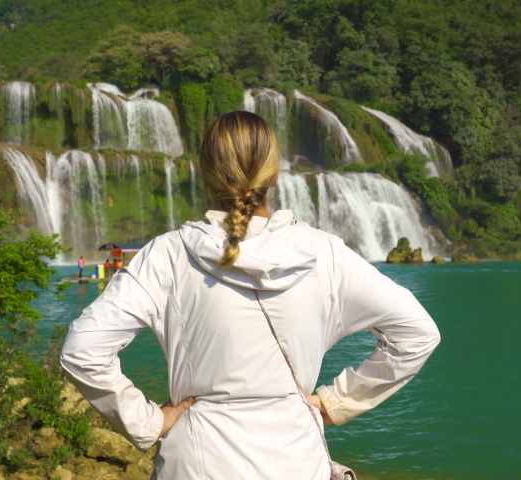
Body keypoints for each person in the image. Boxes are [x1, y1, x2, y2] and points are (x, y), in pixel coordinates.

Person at [61, 111, 440, 479]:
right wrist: (333, 403)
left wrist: (150, 421)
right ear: (274, 175)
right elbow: (418, 333)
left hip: (197, 462)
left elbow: (82, 352)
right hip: (296, 461)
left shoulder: (168, 255)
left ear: (207, 174)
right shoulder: (325, 254)